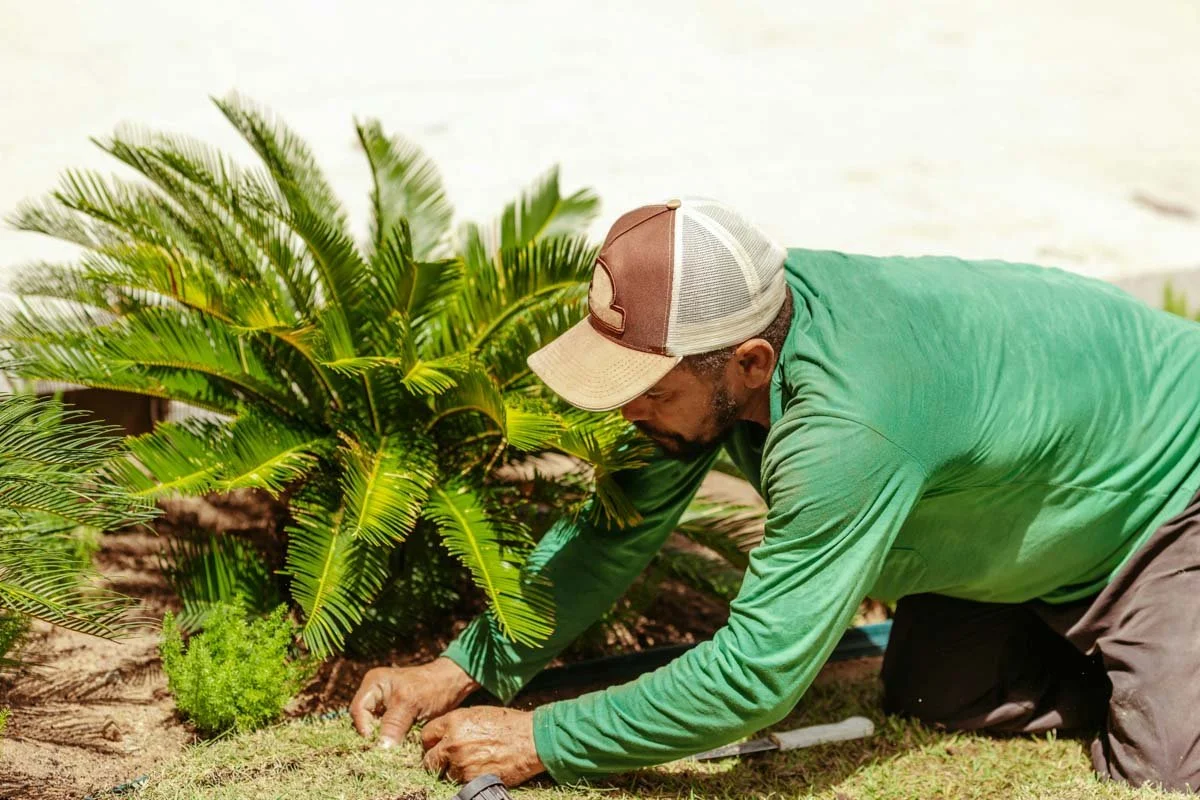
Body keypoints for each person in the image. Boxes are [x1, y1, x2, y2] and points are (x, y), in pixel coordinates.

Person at [350, 198, 1200, 793]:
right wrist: (459, 671)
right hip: (1047, 490)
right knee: (930, 698)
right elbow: (610, 536)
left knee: (1163, 761)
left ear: (751, 363)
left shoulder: (848, 424)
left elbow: (757, 675)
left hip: (1174, 493)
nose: (625, 408)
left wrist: (544, 739)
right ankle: (1119, 647)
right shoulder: (721, 345)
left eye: (646, 388)